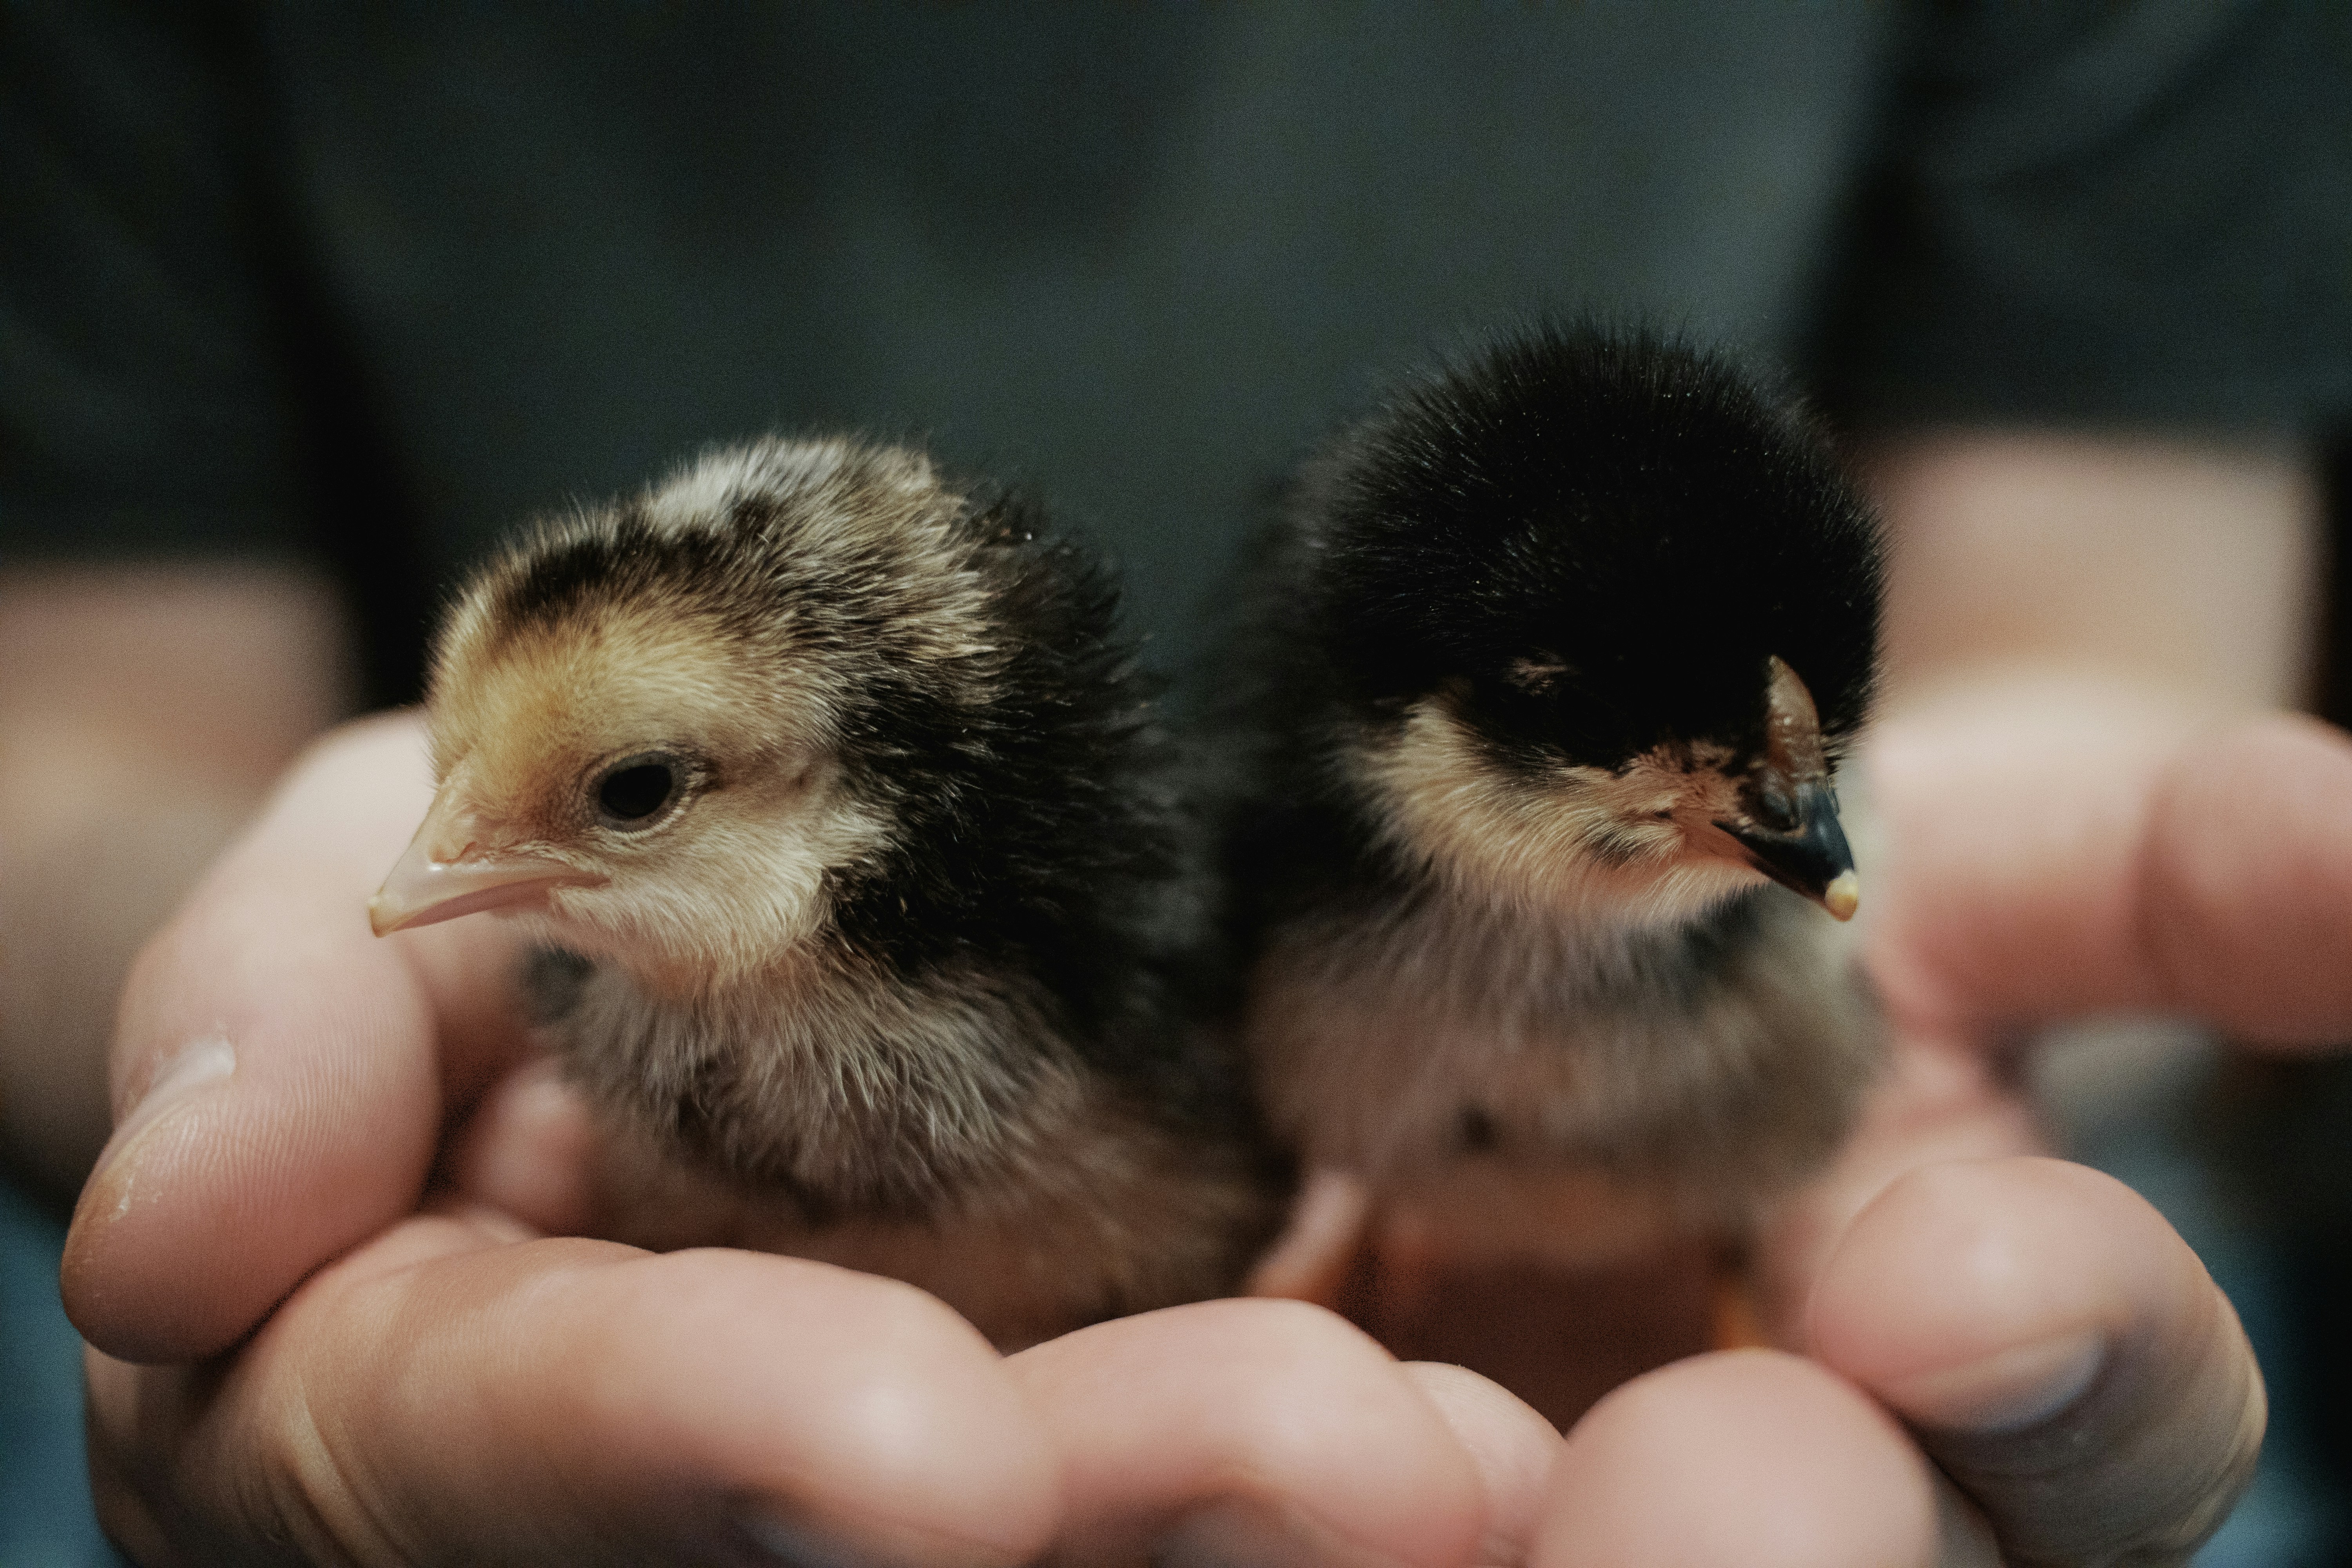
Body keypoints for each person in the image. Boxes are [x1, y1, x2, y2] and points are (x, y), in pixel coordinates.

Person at [7, 4, 2347, 1563]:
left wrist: (1992, 895)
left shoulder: (1541, 924)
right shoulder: (1172, 980)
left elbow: (2089, 638)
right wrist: (229, 967)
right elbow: (81, 728)